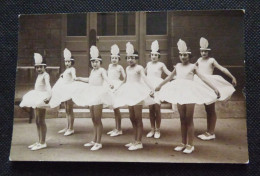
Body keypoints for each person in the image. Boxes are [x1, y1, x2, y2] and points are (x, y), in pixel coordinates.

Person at [156, 39, 219, 154]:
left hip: (190, 93)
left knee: (189, 119)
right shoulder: (178, 66)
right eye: (181, 55)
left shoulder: (193, 67)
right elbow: (168, 78)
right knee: (182, 118)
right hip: (180, 92)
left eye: (185, 55)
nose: (183, 57)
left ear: (189, 56)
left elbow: (203, 78)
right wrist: (159, 86)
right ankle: (183, 142)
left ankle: (190, 144)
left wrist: (214, 88)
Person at [113, 42, 154, 151]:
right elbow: (125, 80)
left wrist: (152, 88)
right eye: (128, 58)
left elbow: (145, 79)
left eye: (132, 58)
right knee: (132, 117)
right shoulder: (127, 69)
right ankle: (134, 140)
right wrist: (117, 89)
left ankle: (139, 142)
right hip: (129, 92)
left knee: (138, 118)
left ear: (136, 58)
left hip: (138, 93)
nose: (130, 60)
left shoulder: (139, 68)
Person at [72, 46, 114, 151]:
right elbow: (90, 80)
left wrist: (111, 84)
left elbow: (106, 78)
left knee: (97, 119)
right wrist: (79, 78)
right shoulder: (92, 72)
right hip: (91, 94)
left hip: (98, 95)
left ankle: (99, 142)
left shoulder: (102, 70)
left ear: (100, 62)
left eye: (96, 61)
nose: (94, 64)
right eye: (92, 62)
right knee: (93, 119)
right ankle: (94, 140)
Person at [195, 37, 236, 140]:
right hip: (201, 84)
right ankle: (209, 131)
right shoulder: (199, 60)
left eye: (205, 51)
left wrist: (232, 77)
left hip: (210, 85)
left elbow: (222, 68)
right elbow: (192, 68)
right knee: (207, 108)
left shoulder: (211, 60)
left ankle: (211, 132)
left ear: (209, 52)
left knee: (210, 109)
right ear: (200, 52)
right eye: (202, 51)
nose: (203, 53)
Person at [20, 53, 52, 151]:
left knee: (41, 121)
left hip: (42, 98)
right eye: (37, 67)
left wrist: (49, 96)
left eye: (40, 67)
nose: (38, 69)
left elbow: (48, 87)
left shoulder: (46, 75)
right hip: (36, 96)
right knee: (37, 121)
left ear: (44, 67)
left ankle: (43, 142)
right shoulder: (39, 75)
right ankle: (39, 141)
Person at [145, 40, 171, 139]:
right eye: (152, 54)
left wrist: (177, 75)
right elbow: (143, 75)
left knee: (157, 108)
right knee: (151, 109)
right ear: (150, 55)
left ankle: (158, 129)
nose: (154, 56)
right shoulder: (148, 64)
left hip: (158, 87)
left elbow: (169, 74)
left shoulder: (161, 64)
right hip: (149, 87)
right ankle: (152, 128)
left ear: (158, 56)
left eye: (156, 55)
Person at [49, 48, 78, 136]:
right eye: (66, 61)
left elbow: (73, 77)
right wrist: (62, 75)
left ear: (72, 62)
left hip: (69, 91)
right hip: (65, 91)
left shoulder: (72, 69)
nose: (67, 63)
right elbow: (65, 78)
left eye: (69, 62)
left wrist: (73, 78)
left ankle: (71, 128)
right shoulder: (66, 70)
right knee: (66, 109)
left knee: (70, 109)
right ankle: (67, 126)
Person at [106, 44, 126, 137]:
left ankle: (119, 129)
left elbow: (125, 78)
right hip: (110, 86)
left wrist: (120, 86)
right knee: (114, 109)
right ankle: (116, 127)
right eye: (112, 58)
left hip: (117, 87)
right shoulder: (109, 66)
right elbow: (107, 76)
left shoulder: (120, 67)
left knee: (117, 108)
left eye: (116, 58)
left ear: (119, 59)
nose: (114, 59)